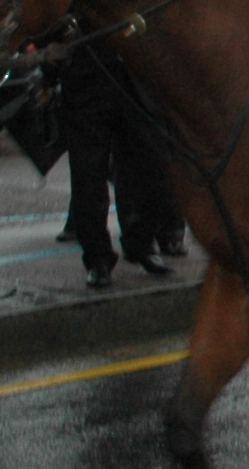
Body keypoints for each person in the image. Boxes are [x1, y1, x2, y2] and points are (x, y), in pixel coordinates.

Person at [56, 44, 179, 287]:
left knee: (157, 169)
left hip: (136, 80)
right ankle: (97, 259)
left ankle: (141, 242)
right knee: (88, 179)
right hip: (87, 76)